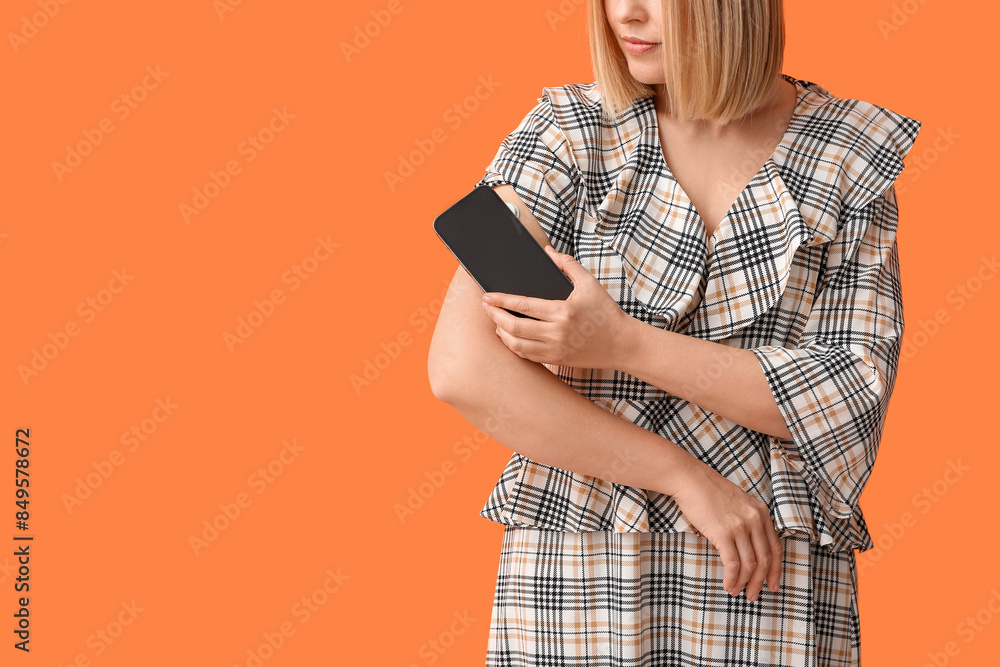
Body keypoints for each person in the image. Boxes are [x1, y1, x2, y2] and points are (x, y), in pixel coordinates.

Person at [427, 0, 920, 664]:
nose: (624, 12)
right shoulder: (562, 130)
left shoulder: (850, 152)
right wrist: (682, 475)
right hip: (579, 582)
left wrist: (621, 342)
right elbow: (463, 367)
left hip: (764, 580)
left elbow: (846, 399)